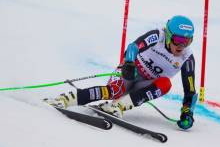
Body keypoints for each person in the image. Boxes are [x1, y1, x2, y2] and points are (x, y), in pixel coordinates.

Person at [45, 15, 197, 130]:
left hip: (145, 84)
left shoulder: (187, 58)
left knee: (165, 84)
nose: (182, 45)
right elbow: (133, 47)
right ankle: (66, 99)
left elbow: (190, 91)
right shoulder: (157, 36)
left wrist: (187, 112)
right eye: (178, 40)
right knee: (114, 90)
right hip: (131, 72)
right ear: (169, 35)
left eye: (188, 41)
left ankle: (119, 106)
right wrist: (129, 63)